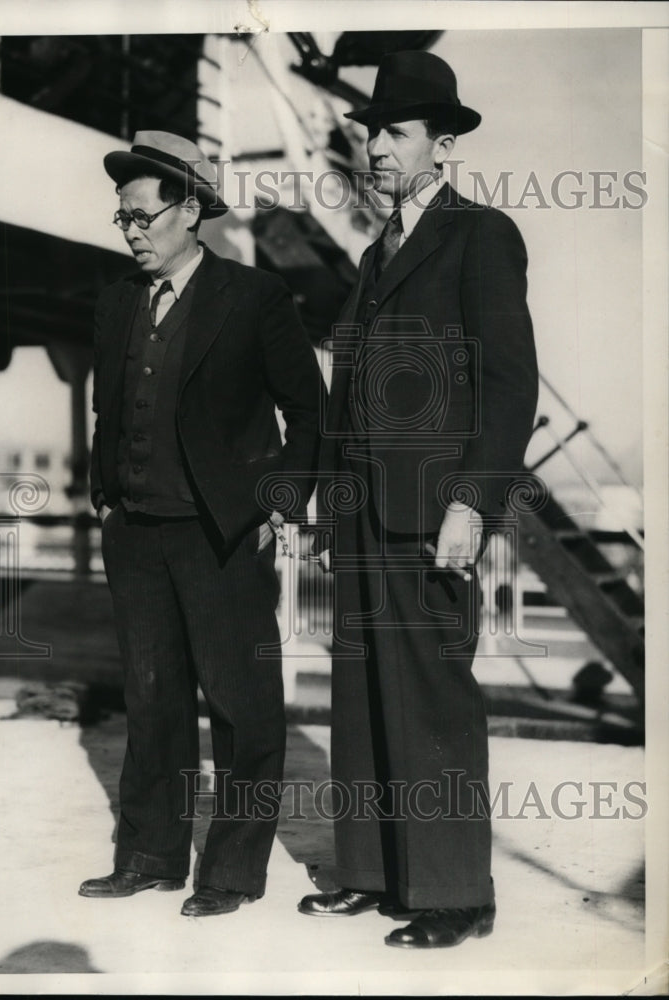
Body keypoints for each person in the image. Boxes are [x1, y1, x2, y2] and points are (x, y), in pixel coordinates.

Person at [298, 51, 538, 947]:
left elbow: (509, 384)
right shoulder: (373, 252)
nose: (375, 147)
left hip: (431, 508)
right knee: (359, 693)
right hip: (361, 509)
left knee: (431, 697)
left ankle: (450, 896)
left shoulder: (479, 235)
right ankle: (367, 871)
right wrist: (327, 512)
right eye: (368, 132)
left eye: (394, 132)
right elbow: (342, 391)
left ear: (441, 145)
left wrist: (472, 503)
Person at [82, 130, 323, 917]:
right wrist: (105, 489)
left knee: (239, 704)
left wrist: (275, 507)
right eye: (122, 220)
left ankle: (229, 873)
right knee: (151, 700)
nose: (131, 231)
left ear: (190, 211)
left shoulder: (254, 299)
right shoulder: (118, 298)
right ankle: (149, 855)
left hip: (221, 533)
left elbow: (308, 414)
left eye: (143, 217)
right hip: (137, 531)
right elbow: (108, 404)